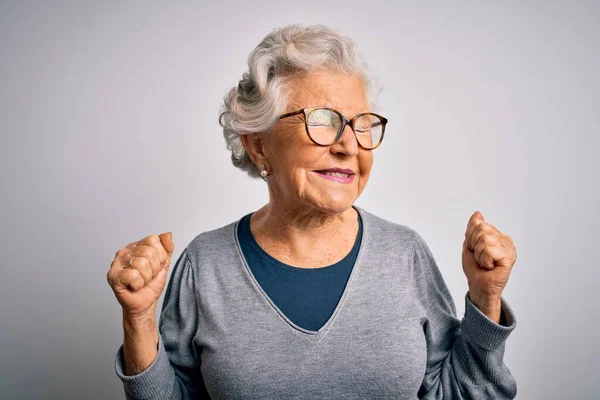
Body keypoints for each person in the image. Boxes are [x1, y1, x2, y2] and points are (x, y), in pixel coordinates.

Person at [107, 24, 519, 399]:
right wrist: (139, 318)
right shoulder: (204, 264)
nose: (349, 145)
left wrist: (486, 299)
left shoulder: (404, 254)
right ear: (258, 144)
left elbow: (459, 395)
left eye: (361, 123)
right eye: (322, 120)